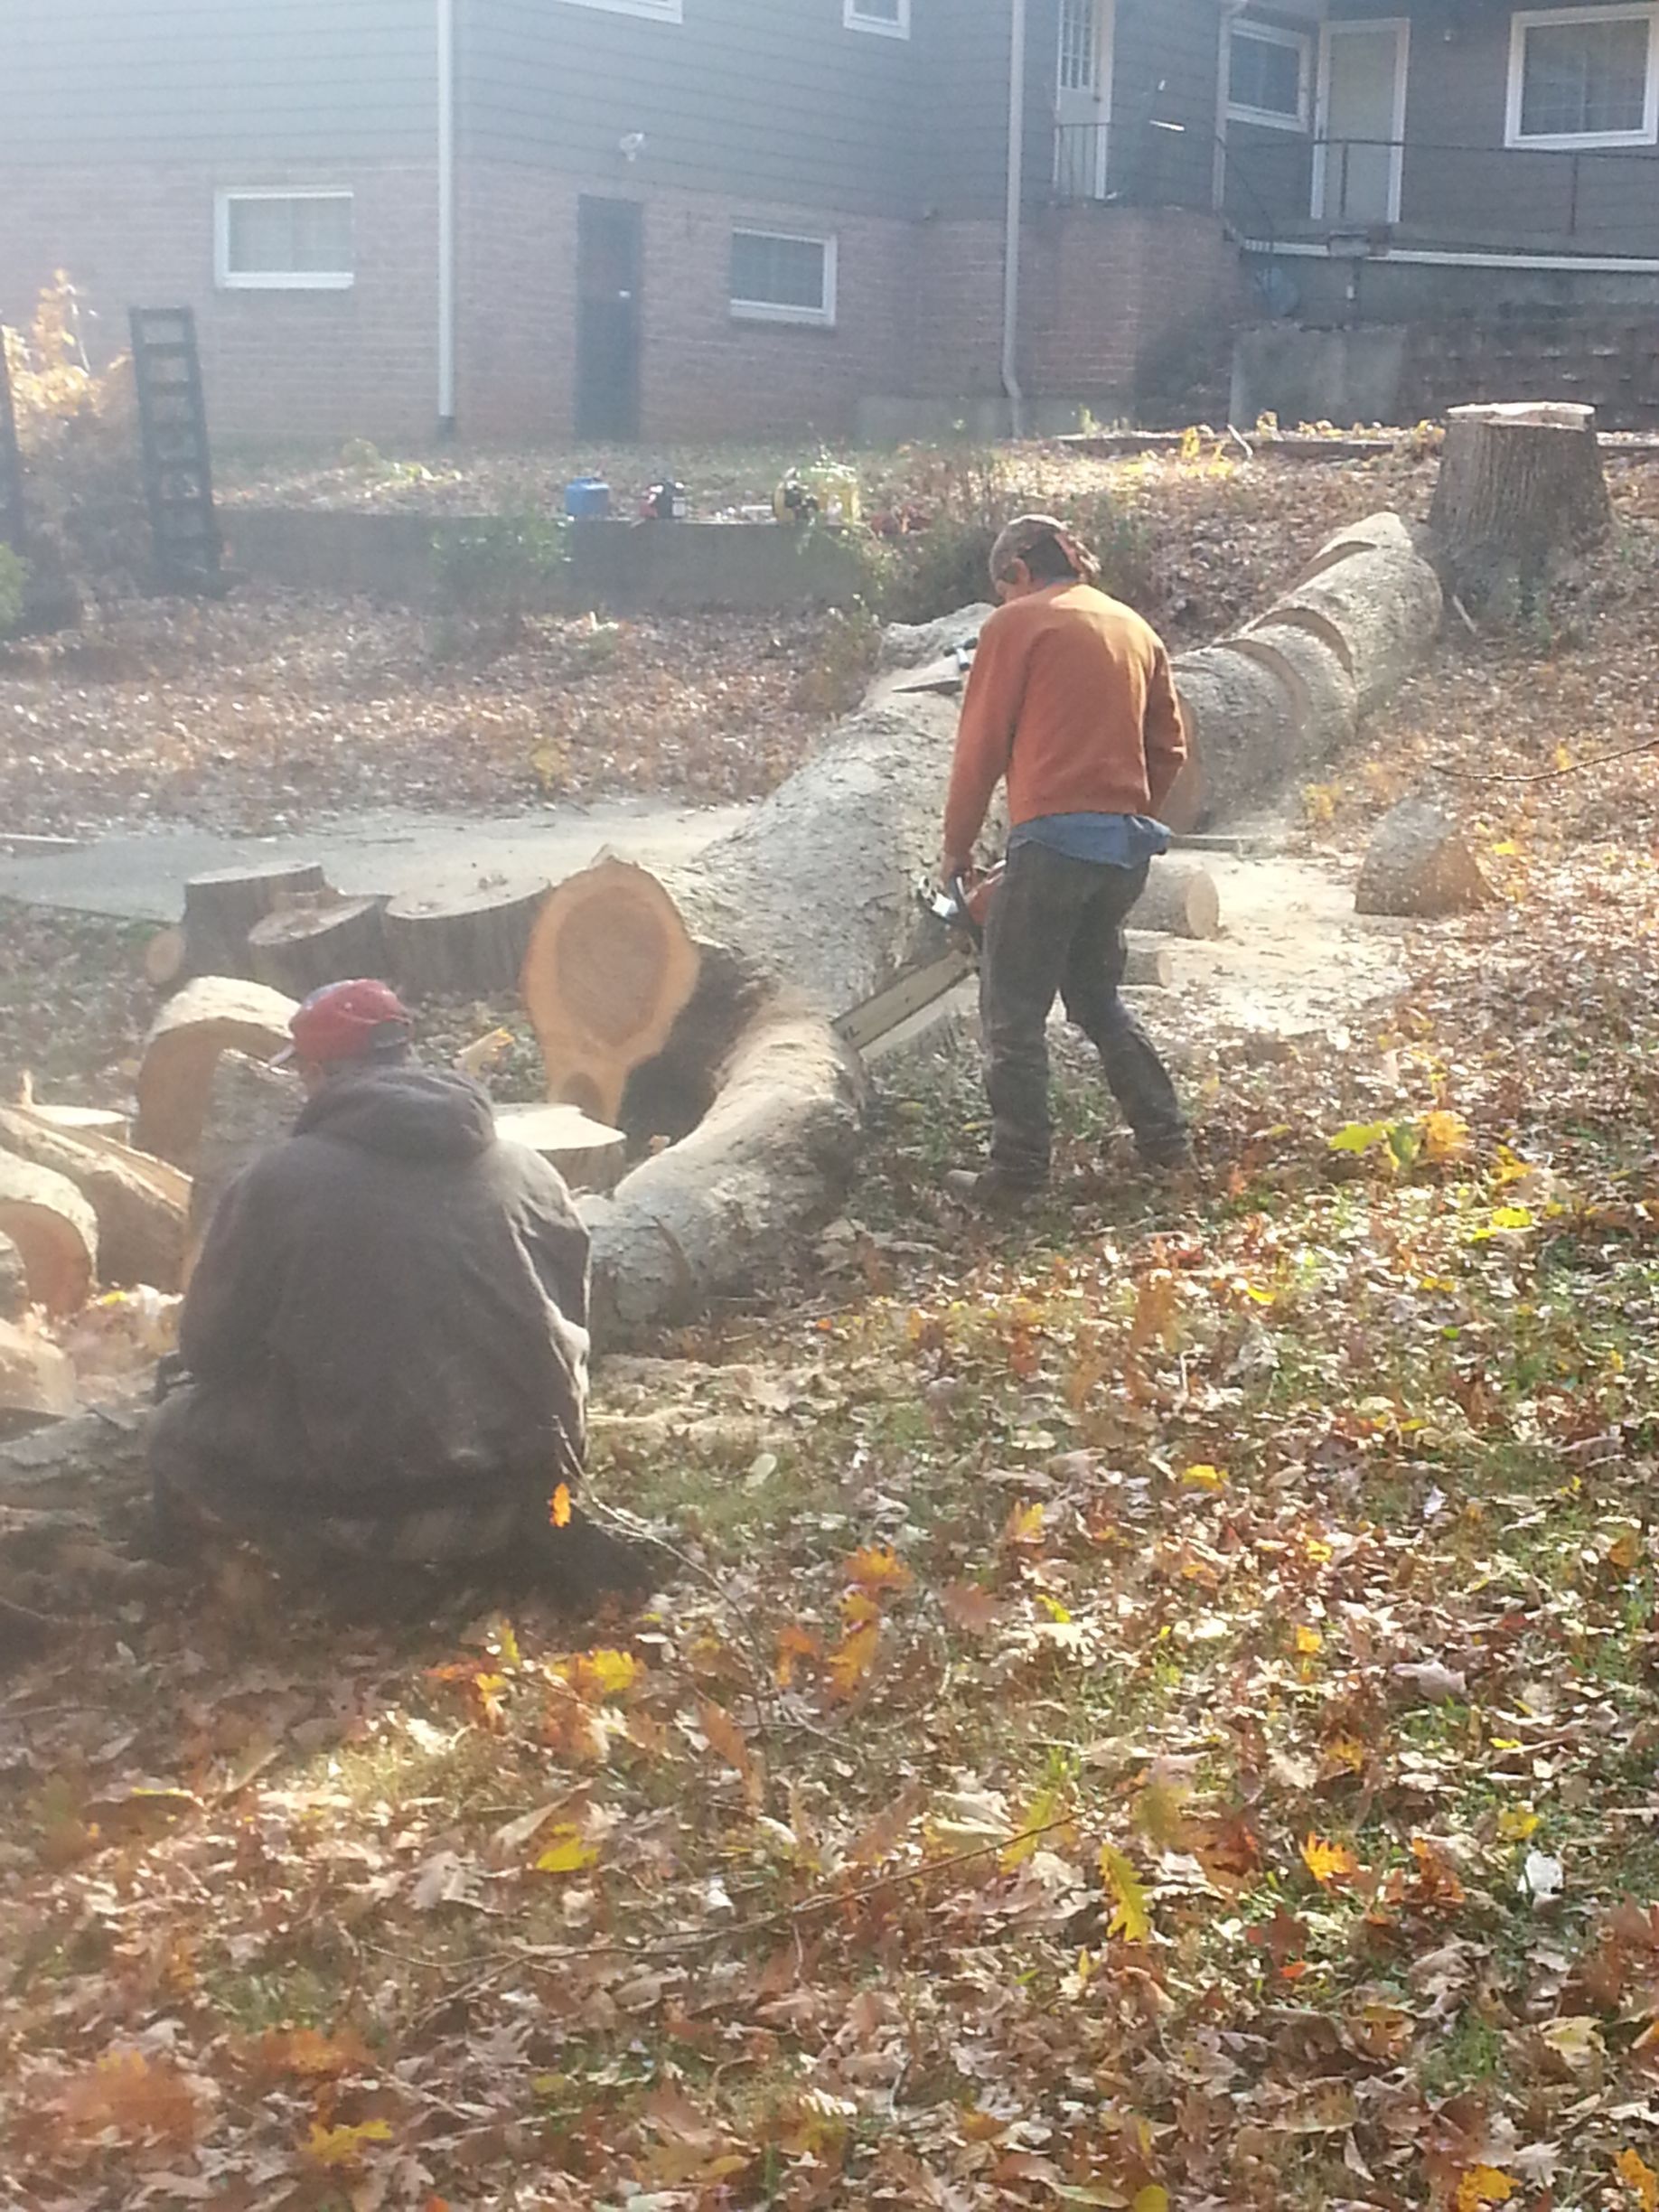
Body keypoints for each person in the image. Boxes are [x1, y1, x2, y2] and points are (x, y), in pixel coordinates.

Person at [149, 978, 623, 1595]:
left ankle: (311, 1576)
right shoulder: (528, 1168)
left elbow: (208, 1353)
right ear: (405, 1055)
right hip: (535, 1491)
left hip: (374, 1512)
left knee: (169, 1426)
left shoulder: (277, 1183)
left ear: (315, 1073)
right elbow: (571, 1318)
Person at [941, 513, 1191, 1203]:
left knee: (1011, 1008)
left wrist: (956, 854)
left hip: (1052, 844)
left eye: (1004, 590)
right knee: (1095, 997)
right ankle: (1165, 1137)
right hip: (1121, 852)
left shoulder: (1016, 625)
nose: (1004, 602)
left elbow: (979, 752)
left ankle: (1016, 1172)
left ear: (1018, 571)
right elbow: (1169, 750)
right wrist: (1119, 815)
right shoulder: (1133, 628)